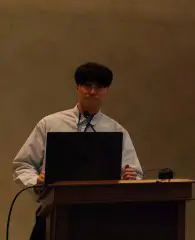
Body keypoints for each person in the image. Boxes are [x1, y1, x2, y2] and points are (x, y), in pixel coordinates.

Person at [12, 62, 143, 239]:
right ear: (78, 87)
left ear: (106, 90)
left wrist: (130, 178)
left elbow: (135, 174)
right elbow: (22, 164)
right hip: (54, 213)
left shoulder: (116, 130)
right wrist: (36, 180)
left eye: (99, 87)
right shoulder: (50, 124)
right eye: (87, 85)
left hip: (102, 217)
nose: (93, 91)